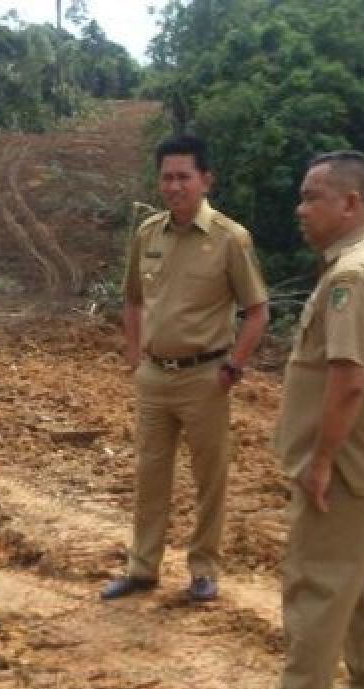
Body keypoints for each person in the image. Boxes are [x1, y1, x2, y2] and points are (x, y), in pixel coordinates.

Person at [218, 152, 364, 689]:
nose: (300, 209)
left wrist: (323, 459)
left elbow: (348, 379)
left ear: (350, 203)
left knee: (319, 581)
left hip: (351, 461)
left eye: (312, 197)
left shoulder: (354, 275)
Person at [102, 133, 269, 604]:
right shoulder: (147, 234)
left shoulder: (230, 239)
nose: (174, 186)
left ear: (205, 180)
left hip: (206, 376)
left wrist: (234, 364)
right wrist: (135, 355)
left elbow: (257, 310)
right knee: (150, 473)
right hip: (156, 375)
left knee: (209, 478)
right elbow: (133, 299)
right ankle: (142, 567)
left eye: (183, 177)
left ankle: (203, 569)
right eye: (166, 177)